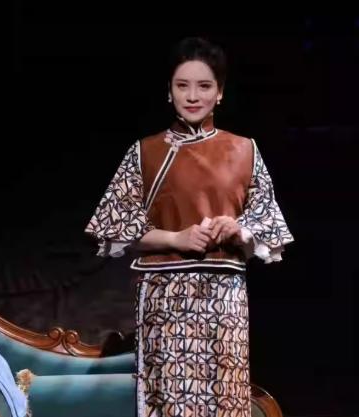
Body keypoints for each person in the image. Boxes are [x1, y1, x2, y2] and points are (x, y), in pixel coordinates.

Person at [85, 37, 295, 417]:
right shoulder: (145, 151)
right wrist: (176, 237)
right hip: (165, 296)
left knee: (225, 397)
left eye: (204, 86)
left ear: (220, 92)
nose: (193, 96)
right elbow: (116, 225)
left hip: (224, 295)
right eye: (182, 85)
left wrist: (237, 230)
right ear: (169, 91)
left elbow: (267, 224)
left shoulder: (244, 150)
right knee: (168, 400)